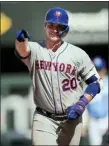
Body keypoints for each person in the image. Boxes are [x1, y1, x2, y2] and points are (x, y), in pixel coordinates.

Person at [15, 7, 103, 145]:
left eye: (59, 26)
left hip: (71, 119)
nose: (54, 30)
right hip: (44, 118)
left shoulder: (77, 54)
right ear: (45, 26)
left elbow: (96, 83)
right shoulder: (35, 49)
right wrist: (20, 40)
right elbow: (23, 51)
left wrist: (83, 102)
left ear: (66, 29)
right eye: (51, 25)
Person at [87, 56, 108, 145]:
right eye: (96, 70)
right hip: (93, 122)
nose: (98, 72)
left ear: (104, 70)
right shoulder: (88, 85)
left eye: (100, 69)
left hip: (106, 119)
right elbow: (84, 107)